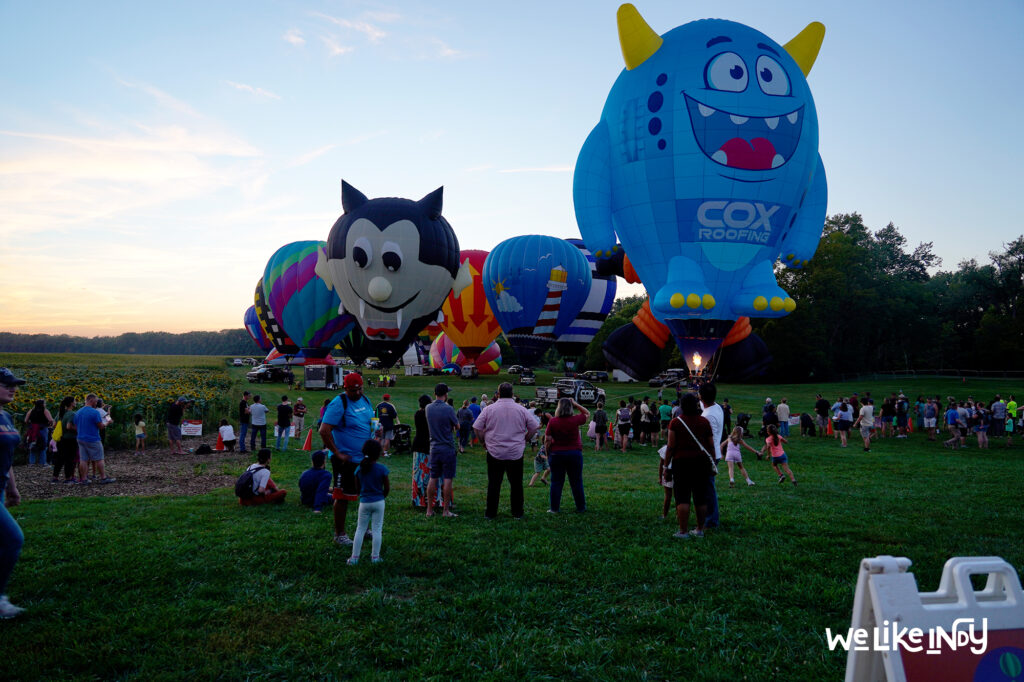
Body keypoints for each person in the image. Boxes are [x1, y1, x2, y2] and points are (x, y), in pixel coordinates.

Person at [319, 372, 374, 546]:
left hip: (363, 459)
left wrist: (376, 432)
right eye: (352, 390)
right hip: (345, 460)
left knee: (364, 493)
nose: (356, 393)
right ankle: (340, 534)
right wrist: (337, 453)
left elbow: (371, 421)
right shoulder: (339, 403)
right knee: (342, 496)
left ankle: (364, 529)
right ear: (345, 388)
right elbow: (324, 431)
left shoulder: (365, 400)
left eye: (359, 389)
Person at [474, 382, 540, 519]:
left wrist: (483, 442)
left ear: (498, 394)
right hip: (515, 452)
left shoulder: (489, 409)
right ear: (512, 393)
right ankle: (517, 512)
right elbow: (534, 427)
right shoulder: (521, 409)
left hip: (494, 451)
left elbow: (477, 427)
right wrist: (525, 439)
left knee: (494, 483)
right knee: (516, 484)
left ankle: (491, 513)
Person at [666, 393, 714, 539]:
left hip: (681, 463)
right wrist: (711, 463)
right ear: (696, 405)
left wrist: (666, 466)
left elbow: (671, 446)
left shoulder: (675, 423)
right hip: (701, 463)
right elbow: (711, 445)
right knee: (700, 497)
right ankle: (699, 529)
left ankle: (683, 531)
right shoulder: (704, 422)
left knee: (682, 497)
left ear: (681, 406)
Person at [0, 368, 27, 618]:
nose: (13, 388)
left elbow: (6, 458)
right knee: (12, 539)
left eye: (14, 385)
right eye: (6, 384)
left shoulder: (5, 416)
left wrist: (12, 488)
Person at [347, 440, 390, 565]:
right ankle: (375, 557)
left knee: (360, 529)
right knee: (377, 529)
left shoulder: (359, 469)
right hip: (379, 502)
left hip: (364, 502)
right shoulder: (382, 469)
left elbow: (357, 488)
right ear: (378, 454)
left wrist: (362, 495)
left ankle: (354, 558)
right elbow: (386, 488)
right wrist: (382, 496)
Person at [544, 397, 589, 513]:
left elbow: (547, 440)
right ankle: (581, 507)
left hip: (557, 454)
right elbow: (587, 413)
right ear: (570, 407)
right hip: (574, 453)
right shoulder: (575, 420)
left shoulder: (553, 421)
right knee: (576, 481)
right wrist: (575, 403)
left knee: (556, 482)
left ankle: (554, 509)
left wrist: (547, 453)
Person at [425, 383, 459, 518]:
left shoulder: (428, 408)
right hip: (447, 447)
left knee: (433, 478)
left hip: (434, 447)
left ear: (435, 394)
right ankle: (445, 510)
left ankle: (429, 510)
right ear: (446, 395)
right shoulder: (449, 409)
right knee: (447, 478)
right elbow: (458, 426)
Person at [698, 383, 724, 529]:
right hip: (716, 453)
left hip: (709, 455)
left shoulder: (707, 417)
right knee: (708, 487)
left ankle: (711, 520)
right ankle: (710, 518)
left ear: (700, 396)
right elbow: (705, 406)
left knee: (708, 489)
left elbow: (705, 441)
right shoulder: (717, 407)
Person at [75, 394, 115, 484]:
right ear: (91, 401)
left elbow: (75, 425)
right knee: (99, 459)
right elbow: (100, 426)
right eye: (96, 401)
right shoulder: (94, 412)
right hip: (92, 438)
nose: (96, 403)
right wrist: (107, 423)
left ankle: (84, 479)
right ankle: (103, 478)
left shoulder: (78, 412)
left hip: (80, 438)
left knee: (83, 459)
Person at [410, 394, 438, 508]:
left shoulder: (418, 413)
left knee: (418, 475)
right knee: (428, 475)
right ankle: (429, 499)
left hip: (418, 445)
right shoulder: (429, 414)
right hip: (427, 445)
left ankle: (418, 500)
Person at [51, 397, 78, 483]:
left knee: (60, 458)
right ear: (71, 403)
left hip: (60, 439)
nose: (76, 402)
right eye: (74, 401)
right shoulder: (72, 414)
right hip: (70, 439)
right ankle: (68, 478)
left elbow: (54, 425)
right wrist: (78, 429)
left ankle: (55, 477)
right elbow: (69, 426)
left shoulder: (60, 413)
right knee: (69, 459)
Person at [24, 399, 53, 467]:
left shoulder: (31, 410)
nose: (45, 404)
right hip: (42, 429)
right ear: (42, 404)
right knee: (43, 445)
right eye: (44, 403)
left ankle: (31, 463)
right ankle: (42, 462)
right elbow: (51, 420)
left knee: (33, 444)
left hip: (33, 429)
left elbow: (25, 420)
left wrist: (31, 425)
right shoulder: (45, 411)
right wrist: (49, 424)